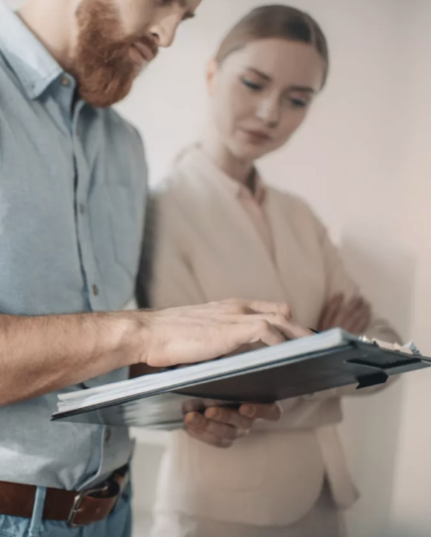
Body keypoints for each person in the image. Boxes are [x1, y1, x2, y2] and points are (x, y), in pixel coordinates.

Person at [0, 0, 312, 535]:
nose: (167, 36)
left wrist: (192, 386)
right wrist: (143, 331)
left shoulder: (123, 145)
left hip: (108, 515)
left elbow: (83, 355)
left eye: (185, 16)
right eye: (164, 2)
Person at [139, 6, 402, 537]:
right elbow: (208, 381)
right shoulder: (162, 210)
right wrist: (335, 348)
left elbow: (388, 351)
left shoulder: (299, 215)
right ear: (212, 74)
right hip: (220, 508)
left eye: (297, 100)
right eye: (254, 83)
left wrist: (294, 360)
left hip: (327, 498)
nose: (269, 113)